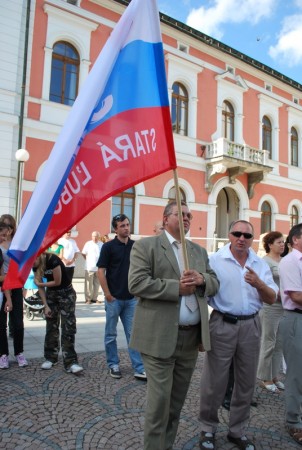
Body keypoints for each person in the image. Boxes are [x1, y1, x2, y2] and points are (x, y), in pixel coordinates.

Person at [128, 200, 219, 450]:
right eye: (182, 214)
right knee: (159, 405)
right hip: (159, 337)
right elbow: (136, 283)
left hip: (191, 340)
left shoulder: (198, 251)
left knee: (176, 404)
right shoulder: (146, 246)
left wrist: (202, 280)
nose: (188, 218)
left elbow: (215, 281)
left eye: (190, 215)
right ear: (166, 218)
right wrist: (175, 288)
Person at [199, 220, 278, 450]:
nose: (241, 238)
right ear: (229, 235)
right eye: (237, 233)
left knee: (245, 382)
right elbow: (203, 295)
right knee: (214, 382)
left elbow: (272, 297)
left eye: (247, 235)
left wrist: (258, 283)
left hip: (251, 326)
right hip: (222, 323)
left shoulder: (258, 264)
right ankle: (207, 429)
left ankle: (237, 431)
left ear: (252, 238)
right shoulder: (214, 260)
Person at [97, 214, 146, 381]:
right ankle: (113, 364)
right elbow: (100, 271)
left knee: (133, 334)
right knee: (110, 334)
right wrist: (107, 294)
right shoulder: (108, 247)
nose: (126, 228)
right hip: (114, 299)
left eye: (127, 224)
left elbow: (141, 269)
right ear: (115, 229)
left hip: (131, 299)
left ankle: (139, 367)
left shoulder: (135, 246)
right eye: (122, 225)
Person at [33, 251, 83, 374]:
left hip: (66, 293)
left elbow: (57, 281)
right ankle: (50, 358)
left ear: (38, 255)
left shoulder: (52, 260)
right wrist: (45, 306)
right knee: (51, 326)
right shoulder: (35, 265)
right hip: (51, 295)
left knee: (68, 327)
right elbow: (40, 288)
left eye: (33, 261)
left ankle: (71, 362)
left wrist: (41, 283)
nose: (32, 264)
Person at [278, 223, 302, 446]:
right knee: (296, 374)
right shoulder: (290, 262)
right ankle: (294, 421)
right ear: (295, 239)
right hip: (296, 318)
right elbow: (296, 295)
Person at [257, 231, 285, 393]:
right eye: (279, 242)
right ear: (270, 244)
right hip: (270, 307)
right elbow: (264, 284)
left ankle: (274, 376)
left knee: (279, 344)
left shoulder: (284, 261)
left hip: (284, 307)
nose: (282, 244)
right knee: (268, 342)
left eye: (283, 242)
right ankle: (264, 378)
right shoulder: (264, 262)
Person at [0, 214, 28, 369]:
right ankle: (3, 354)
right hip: (2, 285)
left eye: (10, 226)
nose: (8, 229)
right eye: (4, 225)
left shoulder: (16, 243)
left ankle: (19, 352)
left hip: (16, 285)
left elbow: (22, 264)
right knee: (1, 324)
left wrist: (24, 285)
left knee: (17, 322)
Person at [82, 231, 103, 304]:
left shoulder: (101, 244)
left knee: (97, 284)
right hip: (89, 267)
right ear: (91, 237)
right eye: (93, 236)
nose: (95, 238)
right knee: (88, 284)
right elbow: (83, 253)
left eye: (96, 236)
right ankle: (88, 299)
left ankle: (94, 298)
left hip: (98, 268)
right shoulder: (88, 244)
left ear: (99, 237)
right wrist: (88, 260)